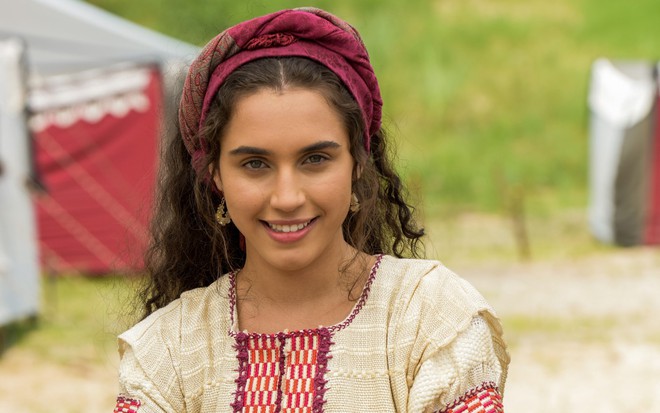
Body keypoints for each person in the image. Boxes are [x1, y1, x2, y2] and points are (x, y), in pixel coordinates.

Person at [114, 7, 509, 413]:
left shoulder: (431, 319)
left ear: (357, 163)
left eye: (315, 159)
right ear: (215, 174)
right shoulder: (167, 351)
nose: (287, 198)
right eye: (255, 164)